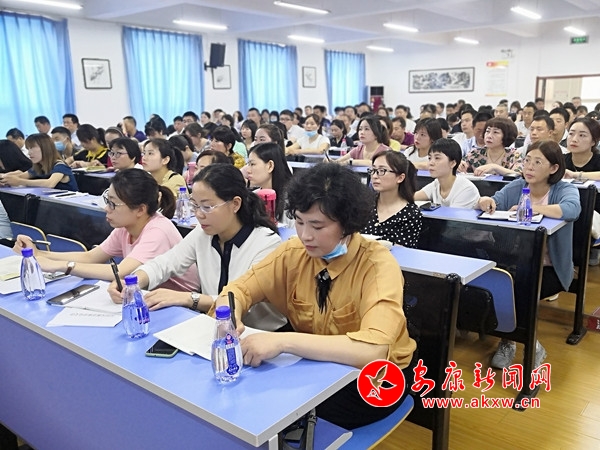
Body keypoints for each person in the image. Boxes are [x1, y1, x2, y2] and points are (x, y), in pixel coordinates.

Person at [210, 163, 416, 429]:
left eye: (317, 226)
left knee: (282, 409)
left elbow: (373, 351)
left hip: (377, 377)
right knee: (254, 392)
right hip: (315, 364)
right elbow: (237, 291)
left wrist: (284, 342)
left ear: (347, 224)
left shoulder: (377, 266)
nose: (305, 235)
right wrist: (229, 319)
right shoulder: (293, 253)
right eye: (299, 222)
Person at [108, 164, 286, 331]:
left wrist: (189, 298)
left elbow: (241, 301)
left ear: (235, 204)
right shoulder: (203, 234)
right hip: (214, 327)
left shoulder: (266, 243)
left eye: (207, 207)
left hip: (259, 333)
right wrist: (133, 282)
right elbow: (166, 262)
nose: (199, 214)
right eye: (194, 205)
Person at [478, 140, 581, 370]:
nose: (529, 167)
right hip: (516, 264)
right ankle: (520, 343)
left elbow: (572, 209)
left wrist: (534, 208)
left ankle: (513, 341)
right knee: (503, 284)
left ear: (553, 168)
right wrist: (486, 201)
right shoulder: (517, 186)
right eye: (527, 161)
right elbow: (496, 201)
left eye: (537, 162)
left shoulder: (564, 189)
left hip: (550, 269)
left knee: (519, 290)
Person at [12, 169, 199, 290]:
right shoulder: (126, 226)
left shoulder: (158, 230)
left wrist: (63, 266)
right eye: (107, 201)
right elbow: (90, 257)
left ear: (140, 209)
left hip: (182, 307)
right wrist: (38, 254)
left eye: (113, 204)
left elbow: (119, 272)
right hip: (151, 295)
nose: (106, 209)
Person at [363, 150, 422, 247]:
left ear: (400, 178)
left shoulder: (410, 214)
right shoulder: (364, 204)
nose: (374, 176)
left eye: (382, 171)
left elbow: (404, 251)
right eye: (373, 170)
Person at [415, 138, 480, 208]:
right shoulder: (436, 184)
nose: (431, 163)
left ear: (452, 163)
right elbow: (412, 197)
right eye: (430, 158)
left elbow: (452, 214)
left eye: (437, 158)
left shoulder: (466, 189)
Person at [0, 133, 77, 191]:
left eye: (32, 148)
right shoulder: (38, 166)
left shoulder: (60, 165)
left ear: (45, 148)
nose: (29, 153)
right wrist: (5, 179)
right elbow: (21, 176)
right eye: (28, 149)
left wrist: (19, 181)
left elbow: (50, 183)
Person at [247, 142, 293, 225]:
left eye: (252, 164)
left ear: (270, 166)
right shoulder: (253, 197)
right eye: (248, 164)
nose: (248, 170)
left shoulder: (292, 198)